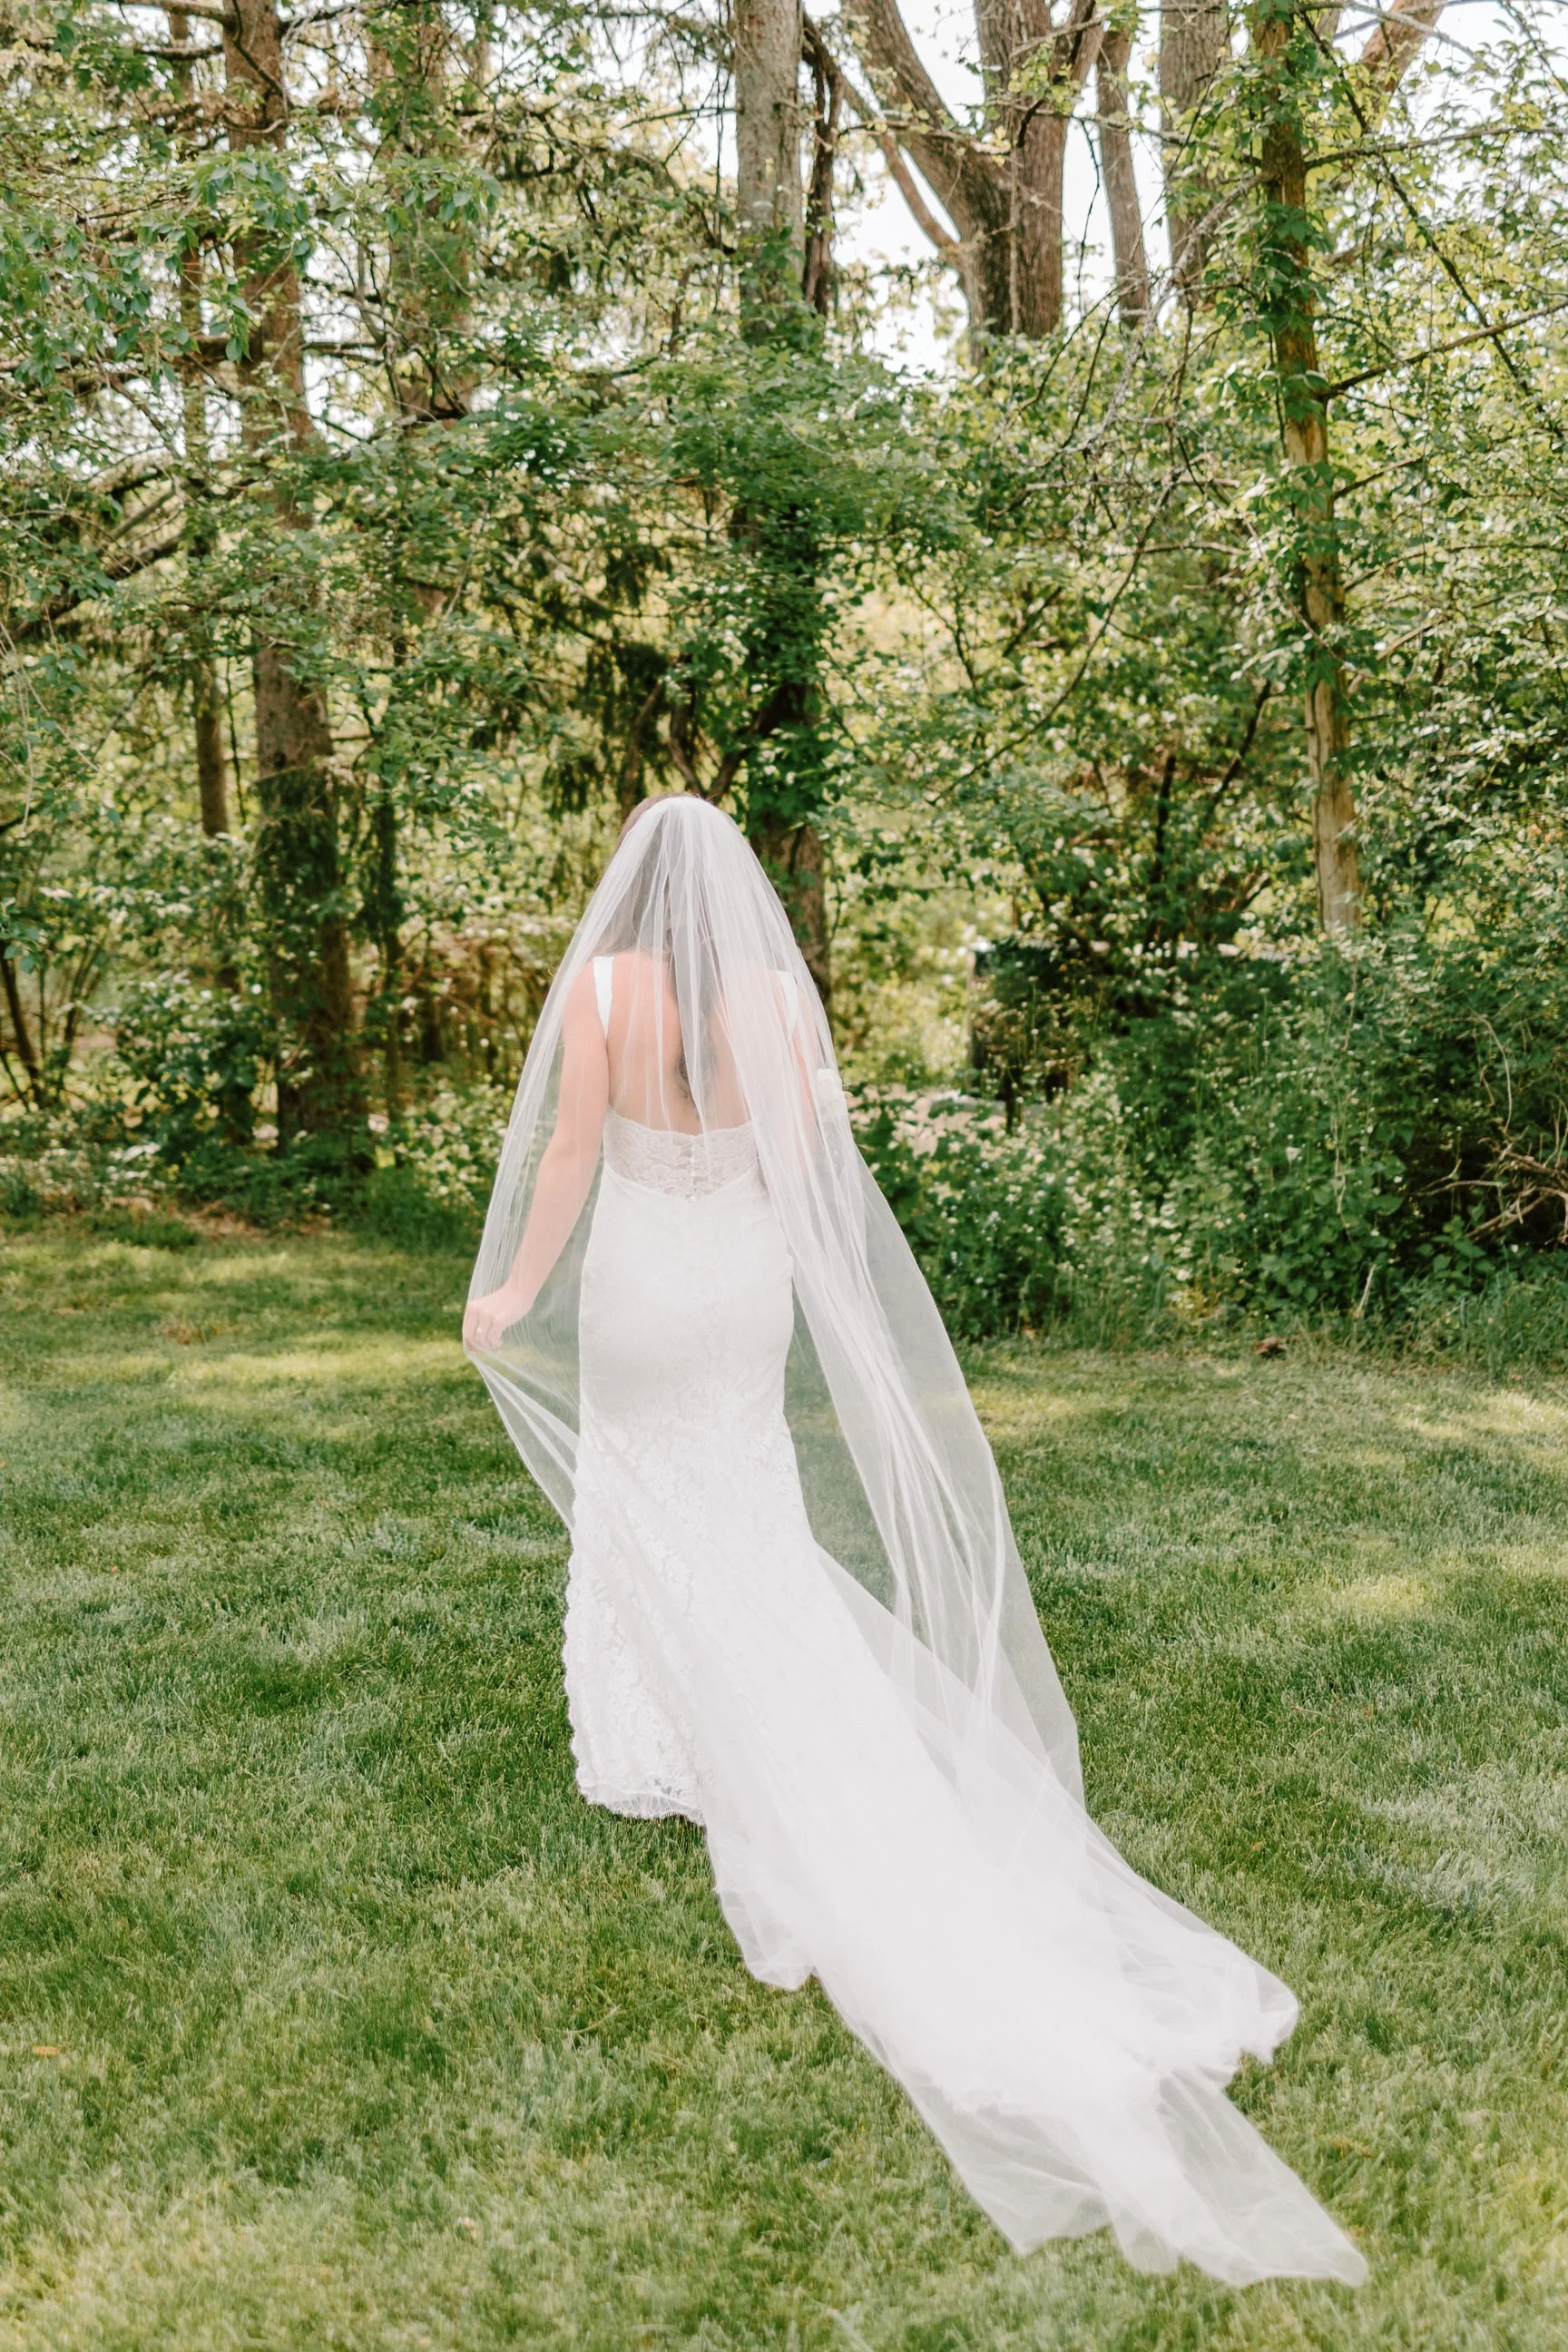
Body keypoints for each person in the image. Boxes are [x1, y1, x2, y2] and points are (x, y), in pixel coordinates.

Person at [463, 793, 1367, 2287]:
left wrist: (511, 1292)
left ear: (633, 895)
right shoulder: (767, 998)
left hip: (637, 1284)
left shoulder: (605, 990)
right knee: (742, 1490)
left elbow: (568, 1156)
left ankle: (654, 1739)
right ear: (737, 899)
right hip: (739, 1283)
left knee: (644, 1488)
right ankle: (749, 1708)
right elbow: (816, 1159)